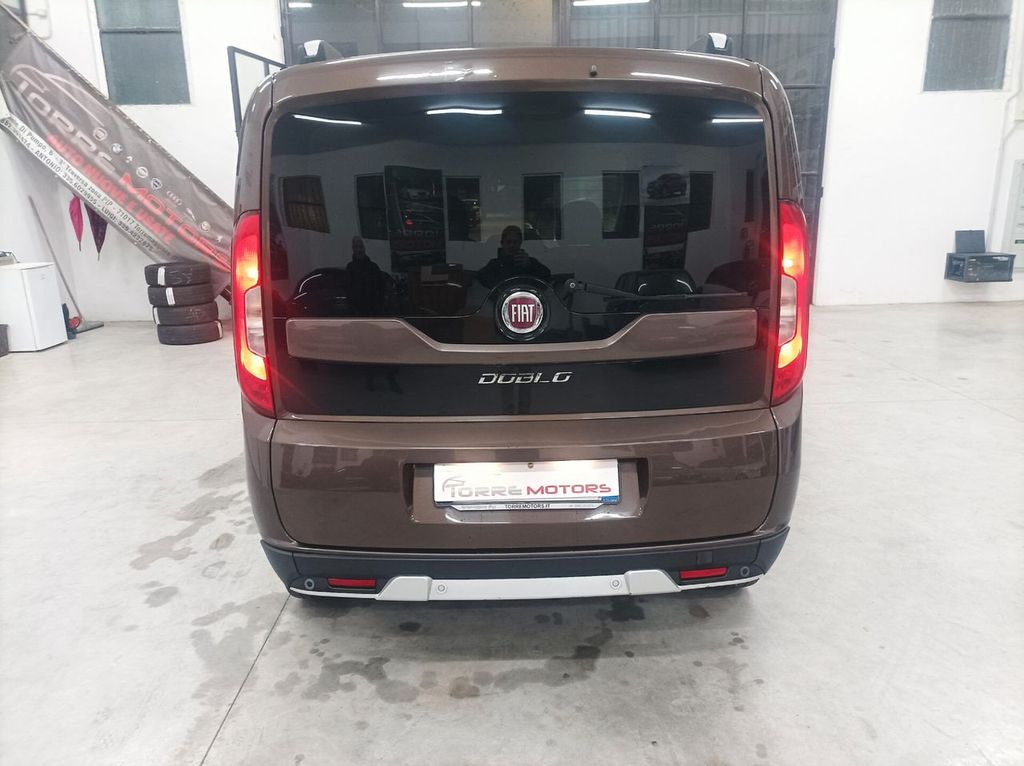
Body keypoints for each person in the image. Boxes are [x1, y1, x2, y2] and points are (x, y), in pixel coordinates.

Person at [476, 225, 551, 288]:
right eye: (508, 242)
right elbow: (481, 276)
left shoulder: (530, 262)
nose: (512, 245)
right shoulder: (494, 264)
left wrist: (530, 266)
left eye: (515, 242)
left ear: (520, 243)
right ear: (502, 243)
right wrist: (500, 287)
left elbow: (546, 275)